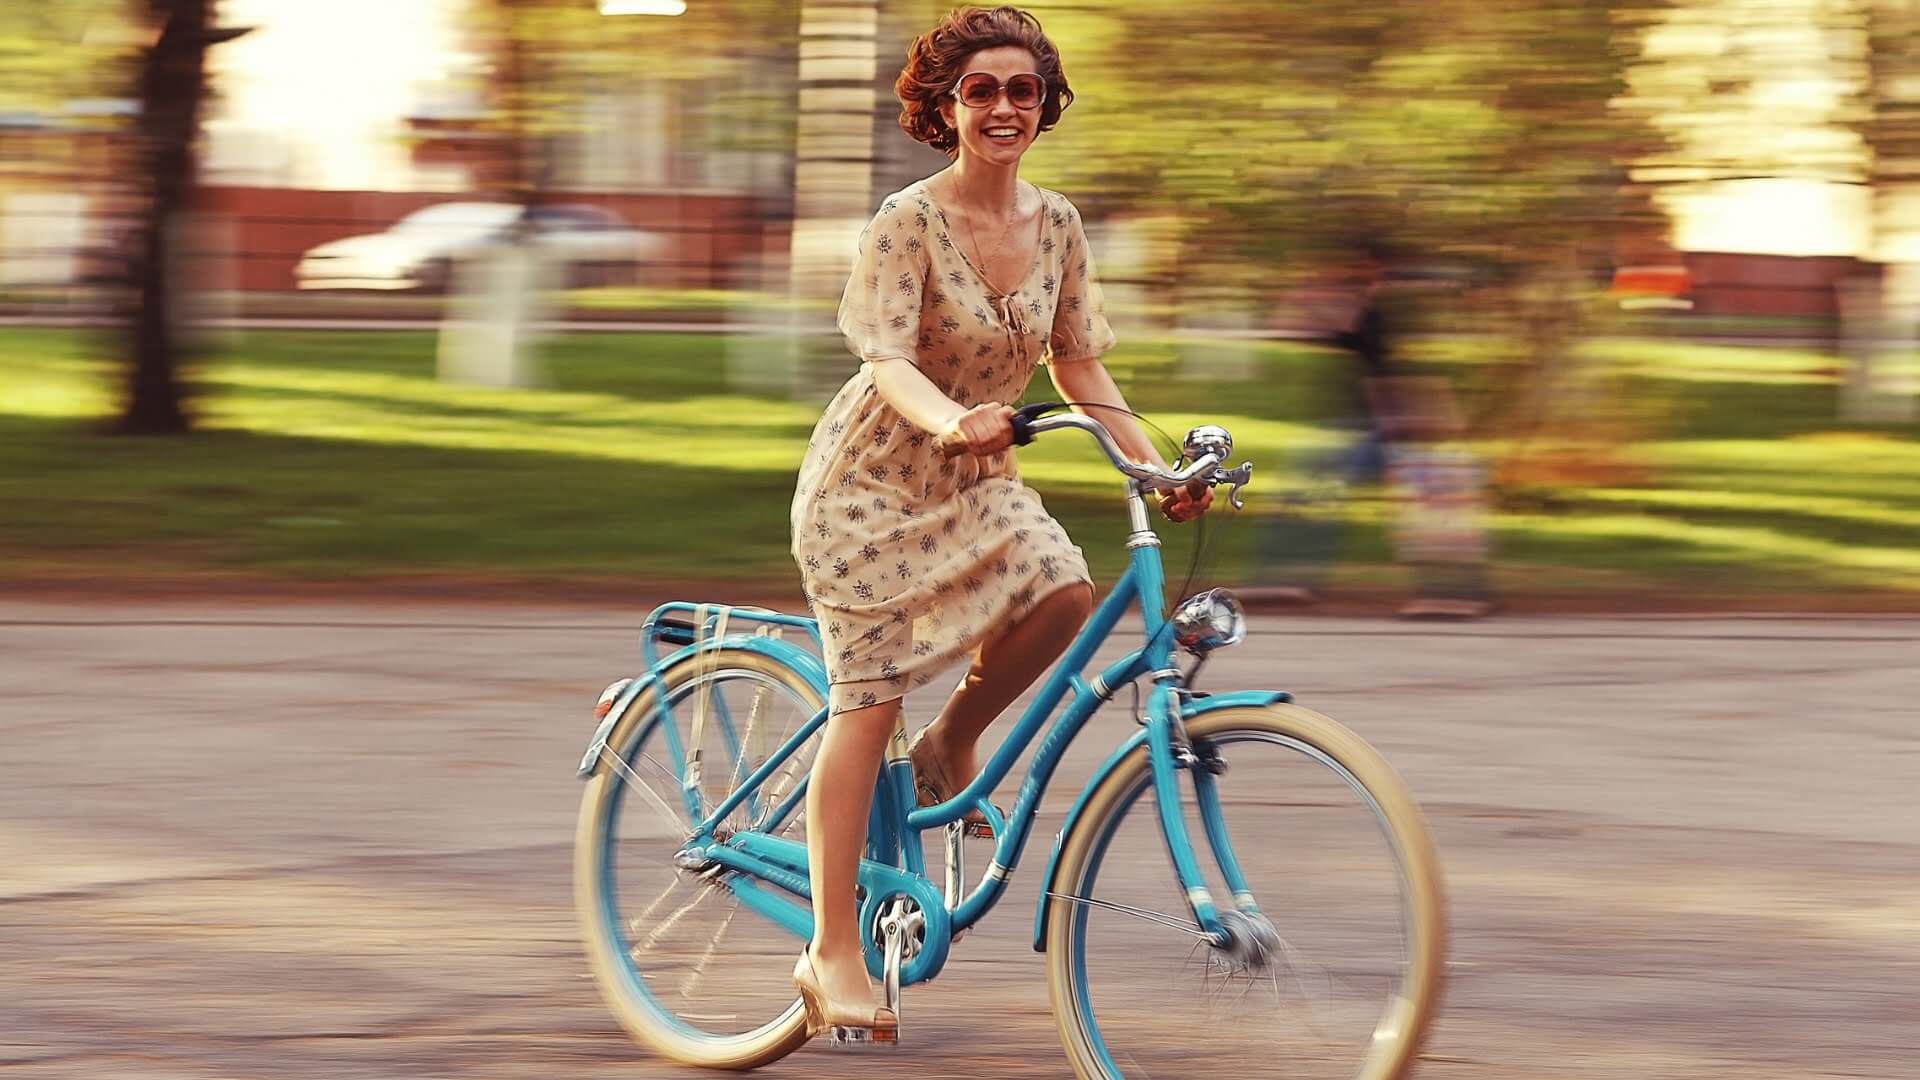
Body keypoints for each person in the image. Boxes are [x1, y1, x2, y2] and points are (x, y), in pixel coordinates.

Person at [787, 5, 1209, 1042]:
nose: (1005, 106)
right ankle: (831, 946)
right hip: (872, 488)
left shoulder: (1057, 223)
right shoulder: (905, 220)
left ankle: (952, 745)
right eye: (982, 90)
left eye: (1023, 89)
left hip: (978, 483)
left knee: (1064, 591)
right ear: (947, 106)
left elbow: (1079, 363)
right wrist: (953, 418)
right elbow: (885, 359)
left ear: (1044, 104)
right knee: (866, 702)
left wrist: (1157, 473)